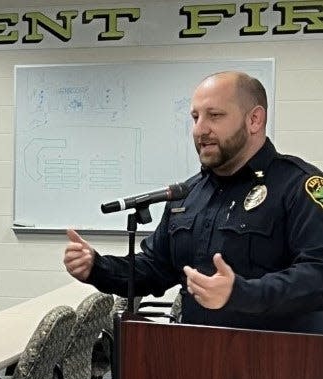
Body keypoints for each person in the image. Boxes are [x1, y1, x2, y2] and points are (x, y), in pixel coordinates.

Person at [64, 71, 323, 334]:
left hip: (277, 362)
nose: (200, 129)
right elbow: (155, 267)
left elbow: (317, 274)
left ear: (254, 120)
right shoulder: (188, 194)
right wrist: (97, 267)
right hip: (196, 359)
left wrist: (240, 293)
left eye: (215, 115)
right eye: (195, 117)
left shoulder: (298, 186)